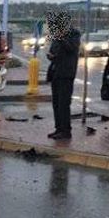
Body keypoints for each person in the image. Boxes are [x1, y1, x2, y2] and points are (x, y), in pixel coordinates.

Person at [45, 11, 81, 140]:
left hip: (66, 73)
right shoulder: (56, 36)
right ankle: (58, 128)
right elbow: (53, 51)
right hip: (56, 72)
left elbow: (71, 48)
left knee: (64, 103)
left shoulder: (74, 34)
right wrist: (51, 56)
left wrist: (62, 38)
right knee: (56, 103)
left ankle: (66, 131)